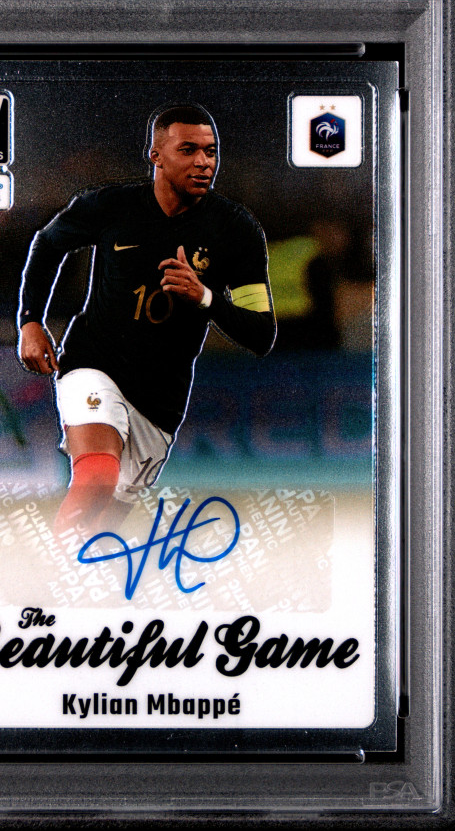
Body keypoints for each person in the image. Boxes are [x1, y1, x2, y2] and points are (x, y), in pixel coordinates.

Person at [17, 103, 276, 535]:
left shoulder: (236, 230)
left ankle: (70, 567)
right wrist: (30, 321)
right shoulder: (110, 206)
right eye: (188, 150)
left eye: (210, 151)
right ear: (155, 155)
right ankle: (41, 571)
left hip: (160, 402)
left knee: (100, 530)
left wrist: (204, 297)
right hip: (93, 364)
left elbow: (261, 333)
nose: (203, 162)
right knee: (97, 476)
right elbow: (48, 244)